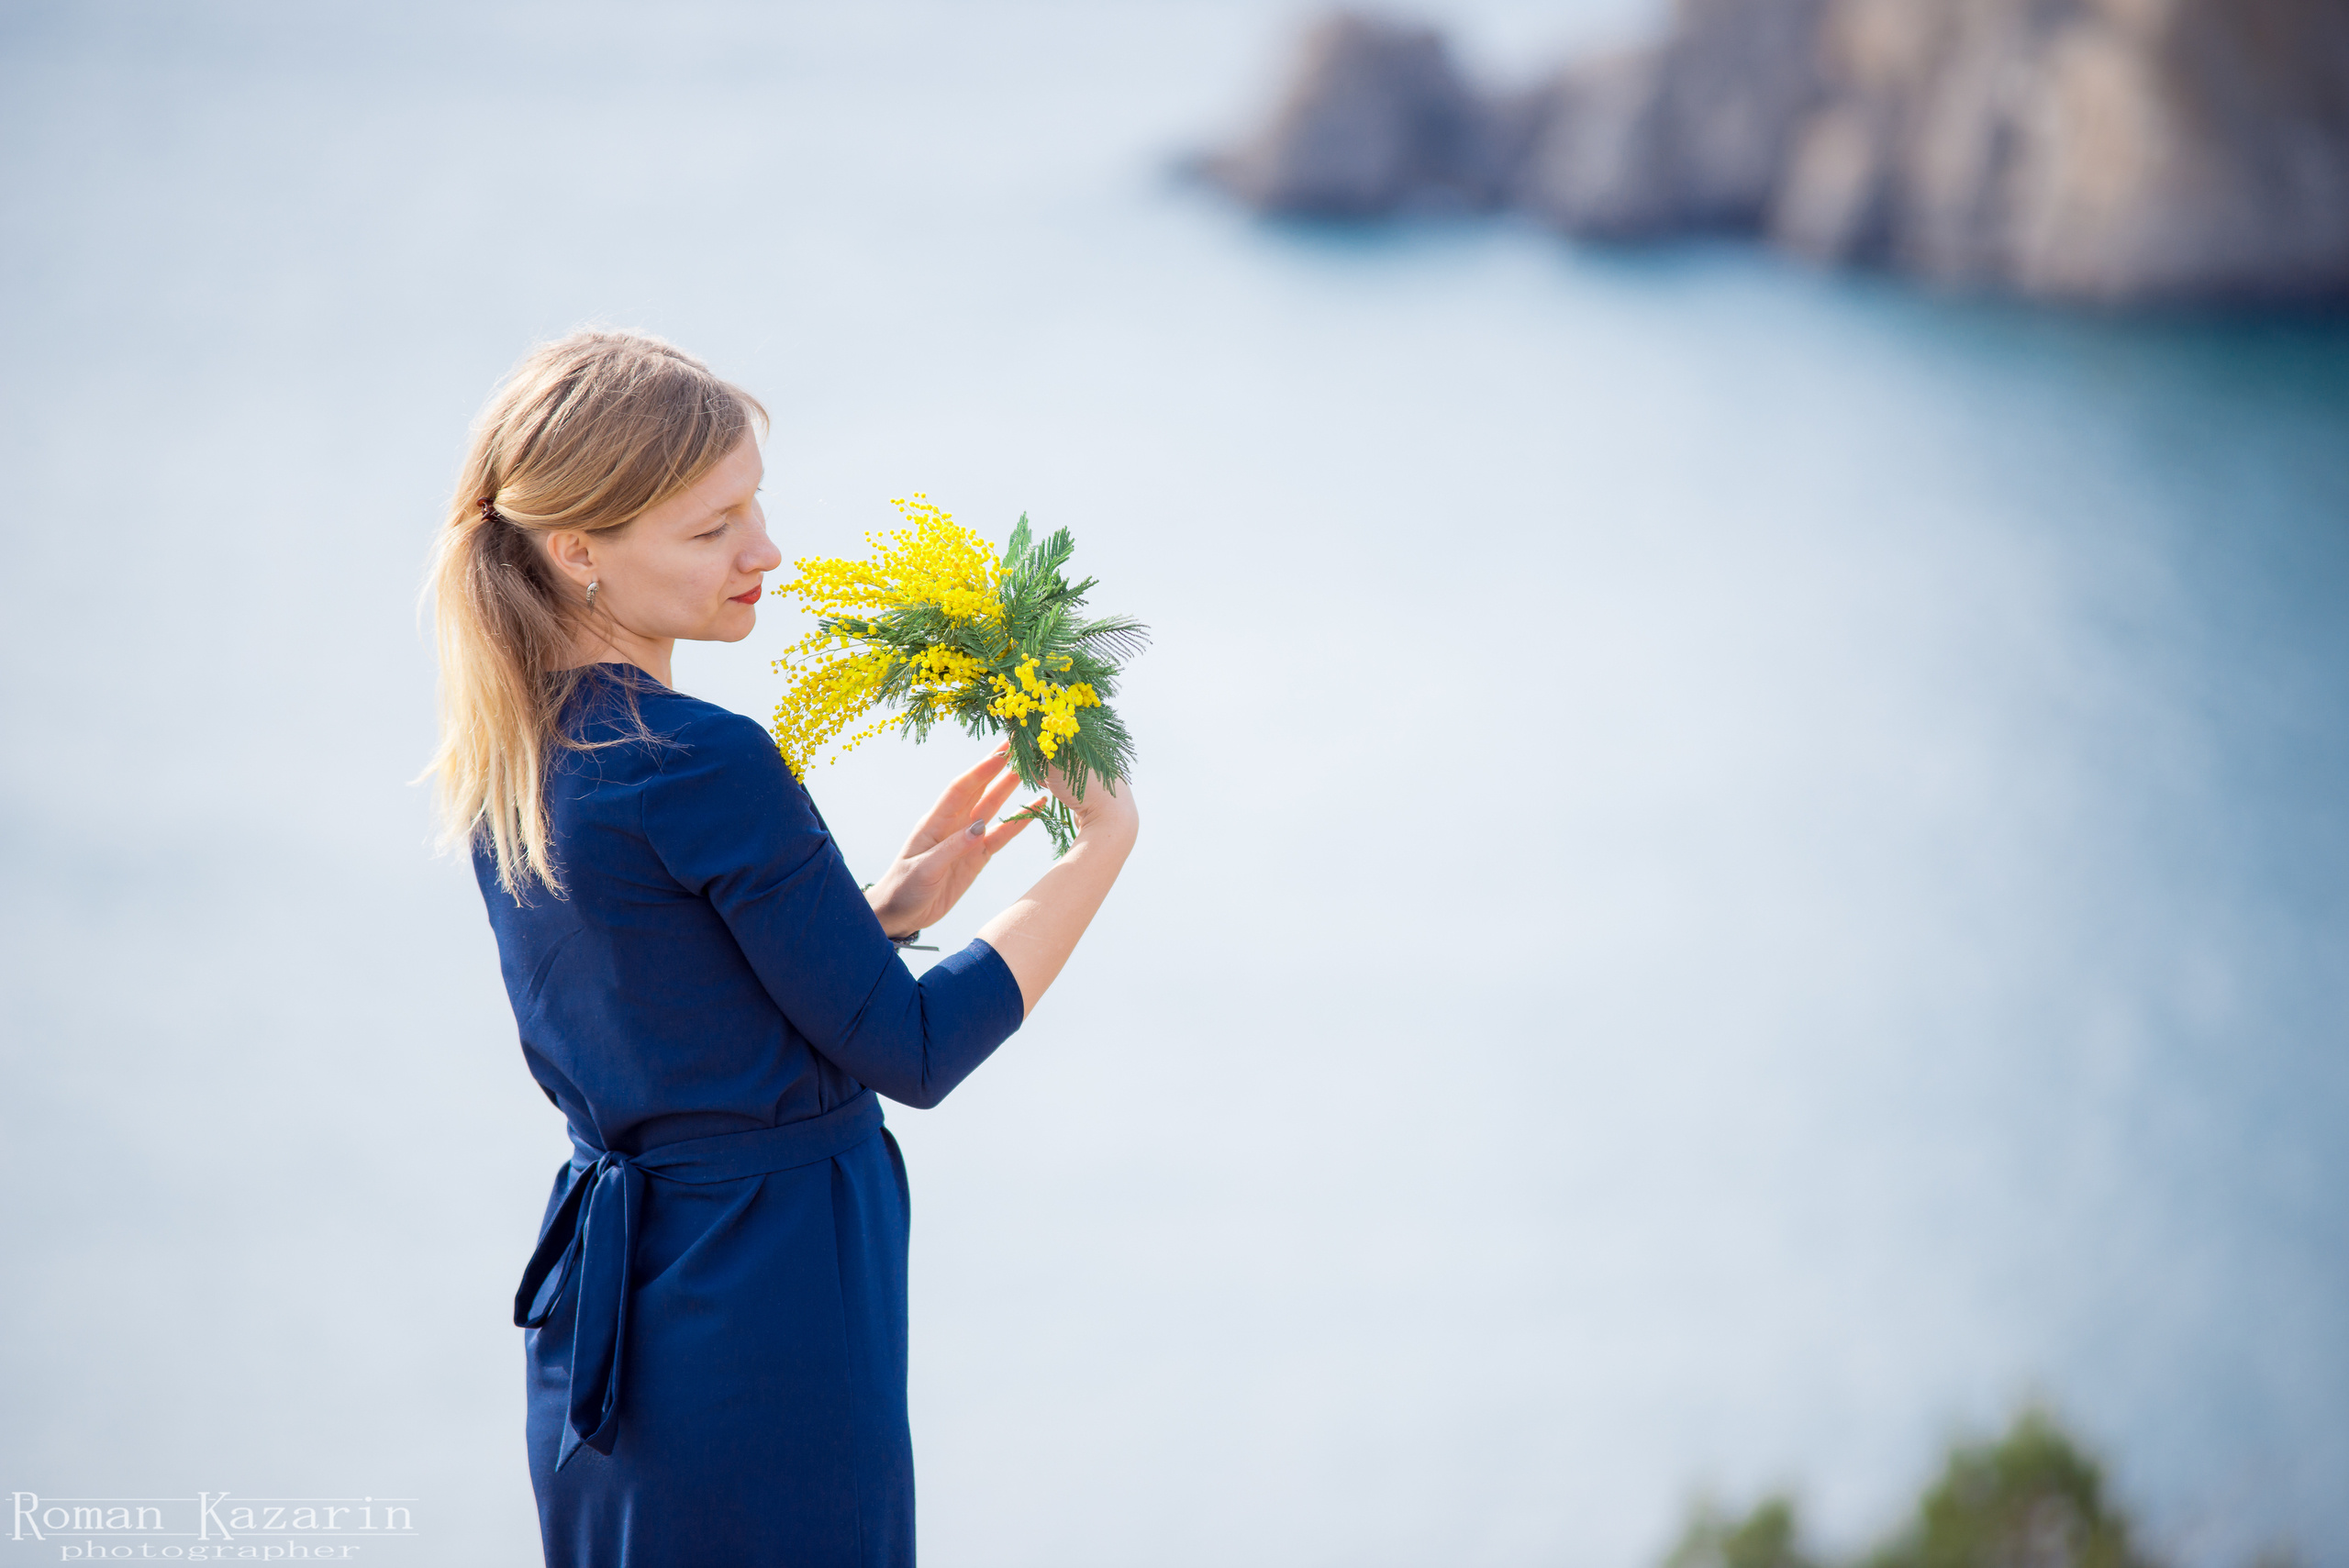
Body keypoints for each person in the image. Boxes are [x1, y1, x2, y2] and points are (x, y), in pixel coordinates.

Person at [421, 329, 1139, 1568]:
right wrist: (1100, 848)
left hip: (617, 1326)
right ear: (577, 548)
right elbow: (914, 1050)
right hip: (766, 1311)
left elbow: (668, 1006)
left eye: (754, 505)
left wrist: (879, 918)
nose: (766, 552)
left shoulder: (512, 748)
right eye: (713, 529)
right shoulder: (701, 756)